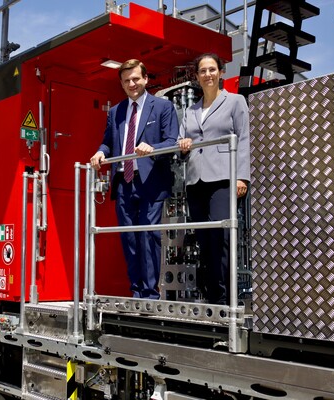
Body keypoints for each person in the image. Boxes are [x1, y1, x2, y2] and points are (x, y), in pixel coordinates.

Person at [90, 59, 179, 299]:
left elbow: (172, 142)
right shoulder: (116, 111)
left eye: (136, 78)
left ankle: (150, 294)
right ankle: (136, 291)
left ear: (146, 79)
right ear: (121, 83)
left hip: (151, 181)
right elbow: (108, 142)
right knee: (129, 238)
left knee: (148, 236)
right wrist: (100, 152)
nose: (132, 84)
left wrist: (153, 148)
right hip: (123, 182)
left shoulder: (163, 107)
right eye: (127, 80)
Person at [177, 53, 250, 305]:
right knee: (204, 241)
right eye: (202, 71)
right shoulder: (191, 110)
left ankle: (227, 300)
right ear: (197, 76)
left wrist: (242, 177)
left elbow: (244, 139)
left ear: (220, 72)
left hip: (223, 178)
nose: (207, 74)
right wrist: (183, 147)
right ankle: (212, 298)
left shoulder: (235, 101)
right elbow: (181, 144)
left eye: (211, 69)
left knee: (222, 239)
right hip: (195, 181)